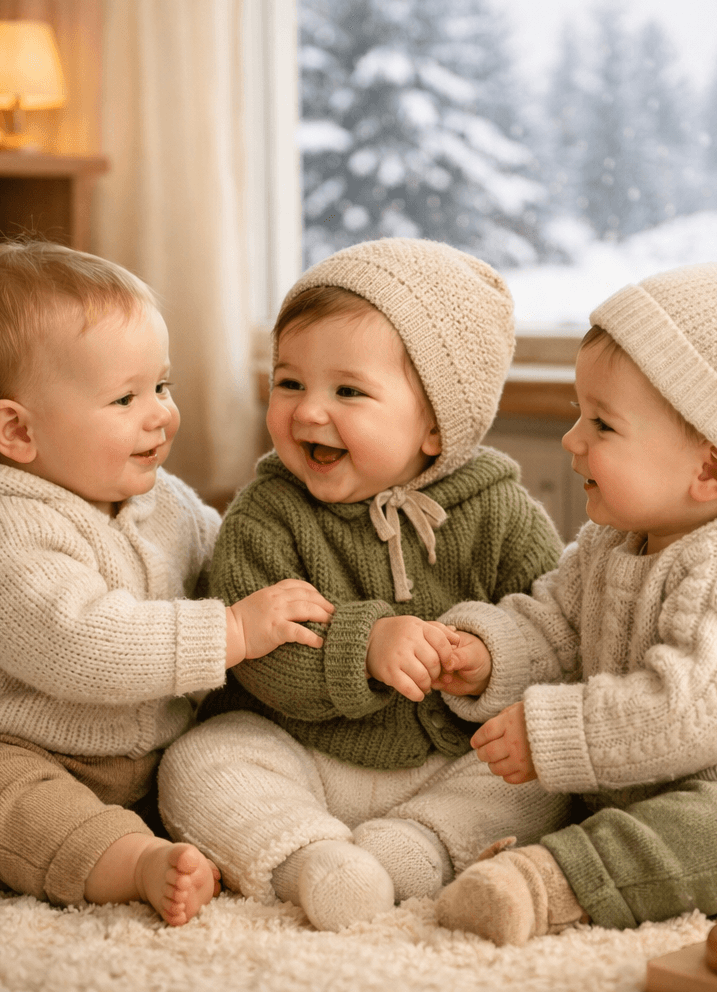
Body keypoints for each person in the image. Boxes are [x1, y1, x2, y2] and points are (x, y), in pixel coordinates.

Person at [430, 251, 717, 946]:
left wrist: (556, 732)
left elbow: (688, 711)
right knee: (521, 783)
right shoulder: (615, 541)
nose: (572, 440)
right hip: (677, 774)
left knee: (706, 829)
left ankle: (552, 884)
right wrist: (491, 656)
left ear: (710, 469)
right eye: (578, 414)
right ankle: (420, 843)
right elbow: (556, 625)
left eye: (602, 425)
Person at [0, 242, 333, 927]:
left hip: (135, 755)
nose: (160, 415)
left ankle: (286, 835)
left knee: (227, 755)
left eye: (162, 386)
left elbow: (227, 562)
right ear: (17, 431)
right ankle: (125, 861)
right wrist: (231, 630)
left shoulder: (163, 500)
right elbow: (80, 642)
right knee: (1, 805)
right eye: (125, 398)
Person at [157, 237, 565, 932]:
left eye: (347, 390)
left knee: (541, 777)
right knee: (199, 759)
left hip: (446, 762)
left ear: (435, 426)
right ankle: (310, 858)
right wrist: (363, 643)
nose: (309, 411)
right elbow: (253, 654)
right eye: (290, 382)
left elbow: (555, 628)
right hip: (300, 753)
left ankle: (411, 853)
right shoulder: (267, 512)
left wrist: (491, 661)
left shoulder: (500, 512)